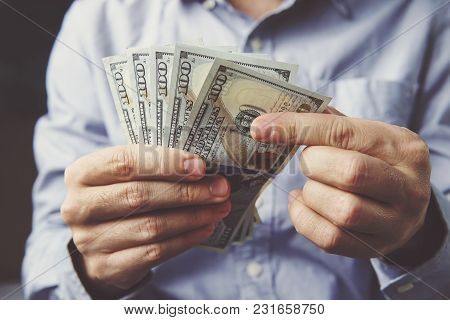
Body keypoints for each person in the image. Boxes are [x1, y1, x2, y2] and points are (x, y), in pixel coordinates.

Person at [23, 0, 450, 299]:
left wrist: (421, 236)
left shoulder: (428, 13)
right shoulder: (97, 19)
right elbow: (44, 272)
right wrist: (91, 271)